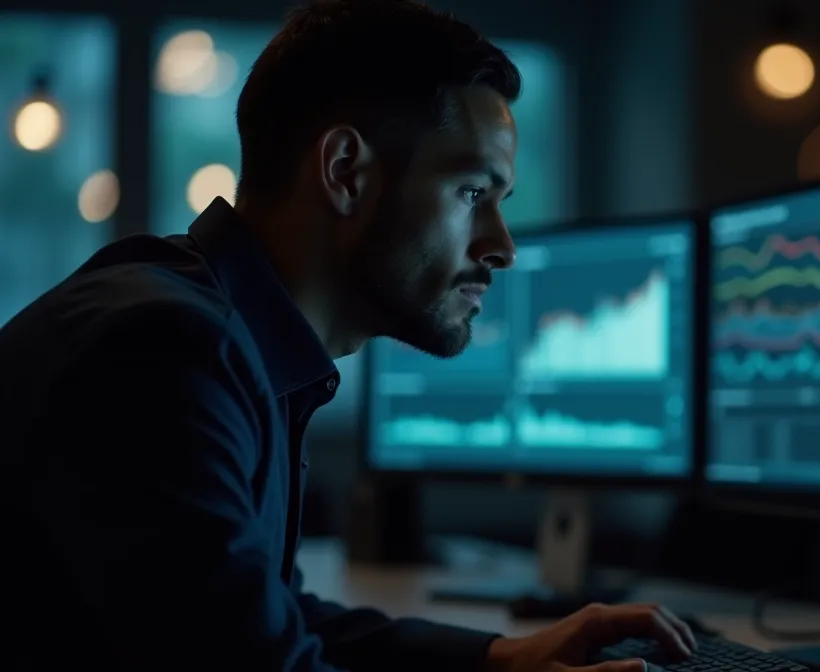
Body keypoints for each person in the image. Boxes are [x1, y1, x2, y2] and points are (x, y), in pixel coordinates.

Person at [0, 0, 697, 670]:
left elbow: (271, 621)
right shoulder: (165, 355)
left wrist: (499, 658)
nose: (502, 247)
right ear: (344, 172)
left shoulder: (224, 338)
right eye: (473, 194)